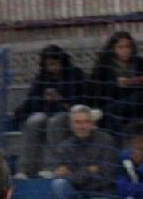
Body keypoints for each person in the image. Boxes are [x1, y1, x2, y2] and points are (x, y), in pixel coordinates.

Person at [13, 45, 87, 179]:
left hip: (69, 114)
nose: (52, 68)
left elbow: (80, 103)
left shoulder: (75, 75)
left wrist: (60, 99)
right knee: (34, 121)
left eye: (54, 64)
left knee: (55, 122)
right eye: (48, 65)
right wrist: (44, 98)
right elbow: (31, 101)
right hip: (47, 112)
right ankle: (25, 169)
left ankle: (53, 167)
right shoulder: (43, 78)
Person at [88, 31, 143, 136]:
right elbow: (95, 91)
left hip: (135, 108)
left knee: (136, 99)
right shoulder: (103, 66)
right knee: (112, 119)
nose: (125, 51)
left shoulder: (141, 63)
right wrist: (115, 85)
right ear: (113, 48)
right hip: (112, 107)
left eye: (128, 47)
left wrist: (135, 82)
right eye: (121, 47)